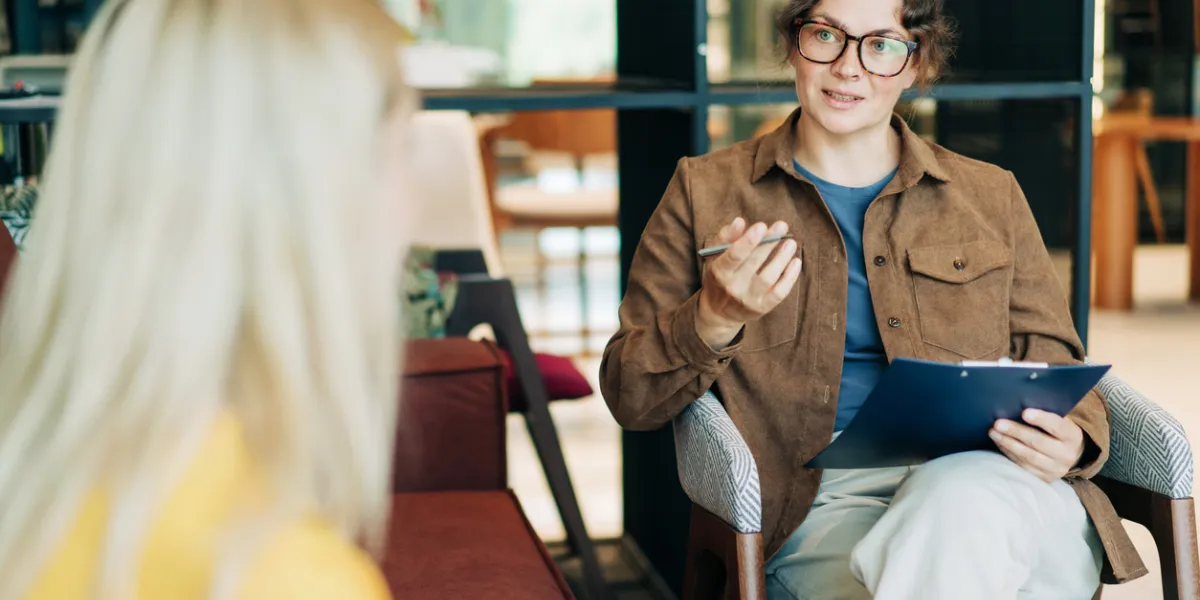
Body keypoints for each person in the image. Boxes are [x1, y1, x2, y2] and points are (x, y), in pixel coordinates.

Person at [600, 0, 1147, 597]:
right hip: (823, 500)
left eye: (881, 44)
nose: (848, 66)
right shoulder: (703, 191)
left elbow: (1057, 361)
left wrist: (1073, 436)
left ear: (917, 65)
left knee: (961, 495)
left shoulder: (991, 194)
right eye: (826, 35)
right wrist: (715, 317)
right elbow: (633, 396)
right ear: (793, 46)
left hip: (1003, 478)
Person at [0, 0, 415, 598]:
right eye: (402, 150)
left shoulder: (35, 494)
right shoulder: (288, 575)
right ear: (317, 200)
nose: (414, 205)